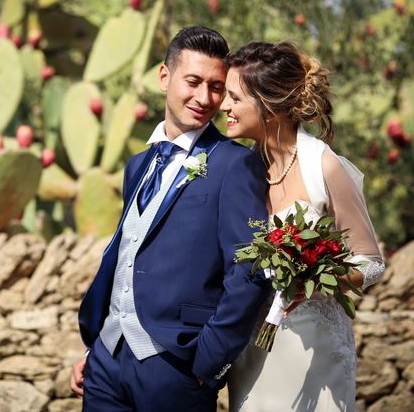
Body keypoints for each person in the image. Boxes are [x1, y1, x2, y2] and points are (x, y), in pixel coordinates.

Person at [70, 26, 270, 412]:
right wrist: (96, 348)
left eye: (216, 87)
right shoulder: (137, 166)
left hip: (178, 369)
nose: (205, 98)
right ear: (164, 77)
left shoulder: (235, 164)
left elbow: (249, 269)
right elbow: (132, 253)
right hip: (106, 365)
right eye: (193, 82)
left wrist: (208, 365)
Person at [221, 41, 386, 412]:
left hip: (314, 351)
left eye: (234, 97)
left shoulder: (324, 166)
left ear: (267, 105)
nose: (223, 106)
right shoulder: (243, 168)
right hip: (254, 349)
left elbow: (371, 262)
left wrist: (314, 280)